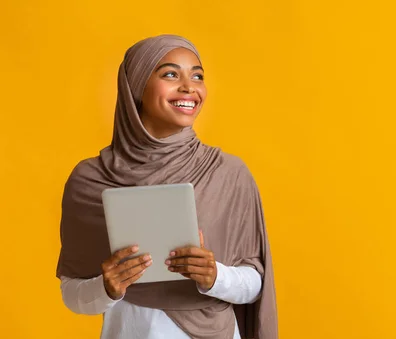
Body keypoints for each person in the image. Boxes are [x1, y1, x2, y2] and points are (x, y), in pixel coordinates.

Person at [56, 34, 278, 339]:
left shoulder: (228, 173)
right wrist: (106, 287)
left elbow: (255, 285)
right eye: (171, 74)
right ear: (137, 85)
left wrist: (216, 276)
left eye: (197, 76)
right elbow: (72, 294)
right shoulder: (90, 180)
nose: (189, 87)